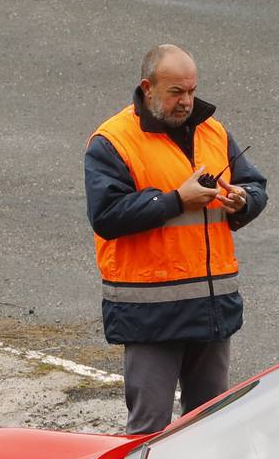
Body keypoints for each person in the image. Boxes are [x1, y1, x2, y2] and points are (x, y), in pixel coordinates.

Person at [84, 44, 268, 435]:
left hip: (212, 308)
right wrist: (175, 200)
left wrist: (243, 200)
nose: (187, 102)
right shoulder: (113, 141)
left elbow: (254, 184)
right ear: (147, 88)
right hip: (152, 316)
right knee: (148, 435)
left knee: (210, 429)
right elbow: (107, 216)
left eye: (191, 91)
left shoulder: (212, 131)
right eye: (175, 93)